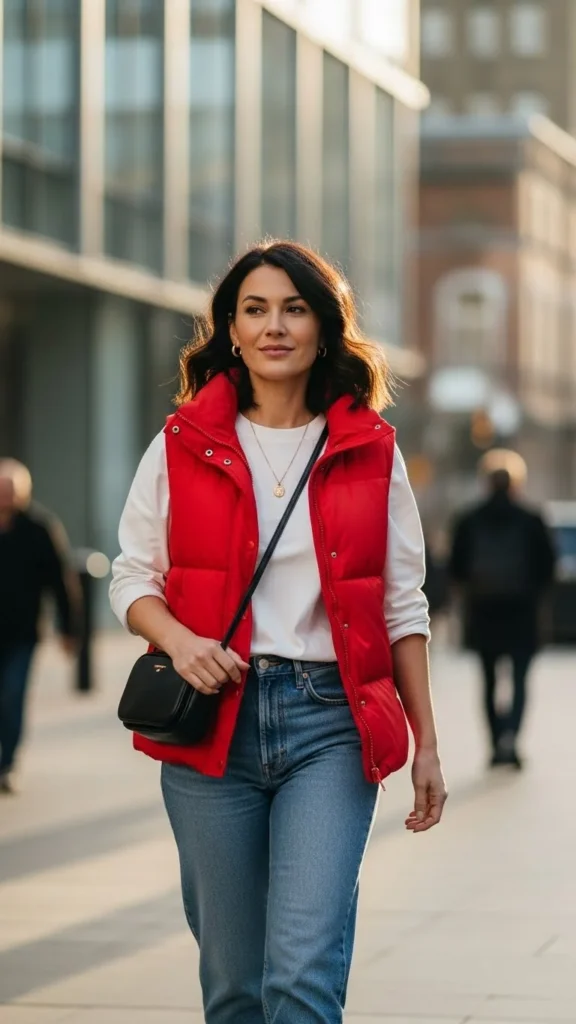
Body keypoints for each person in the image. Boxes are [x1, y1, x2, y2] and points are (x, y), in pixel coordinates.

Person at [110, 240, 447, 1024]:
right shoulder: (181, 444)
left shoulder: (371, 451)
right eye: (255, 309)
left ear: (324, 328)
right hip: (210, 728)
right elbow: (132, 578)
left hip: (330, 722)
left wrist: (426, 741)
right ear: (230, 329)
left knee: (299, 975)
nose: (274, 326)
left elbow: (404, 604)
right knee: (233, 986)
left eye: (294, 308)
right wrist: (182, 642)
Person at [449, 449, 556, 769]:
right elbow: (548, 567)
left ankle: (495, 742)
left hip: (484, 612)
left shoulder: (468, 520)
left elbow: (457, 568)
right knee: (521, 679)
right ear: (515, 483)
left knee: (489, 680)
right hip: (522, 612)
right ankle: (511, 736)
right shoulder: (532, 519)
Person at [0, 459, 78, 794]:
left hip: (22, 634)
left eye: (11, 489)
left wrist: (69, 630)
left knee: (12, 696)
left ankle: (7, 764)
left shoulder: (40, 528)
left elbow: (61, 583)